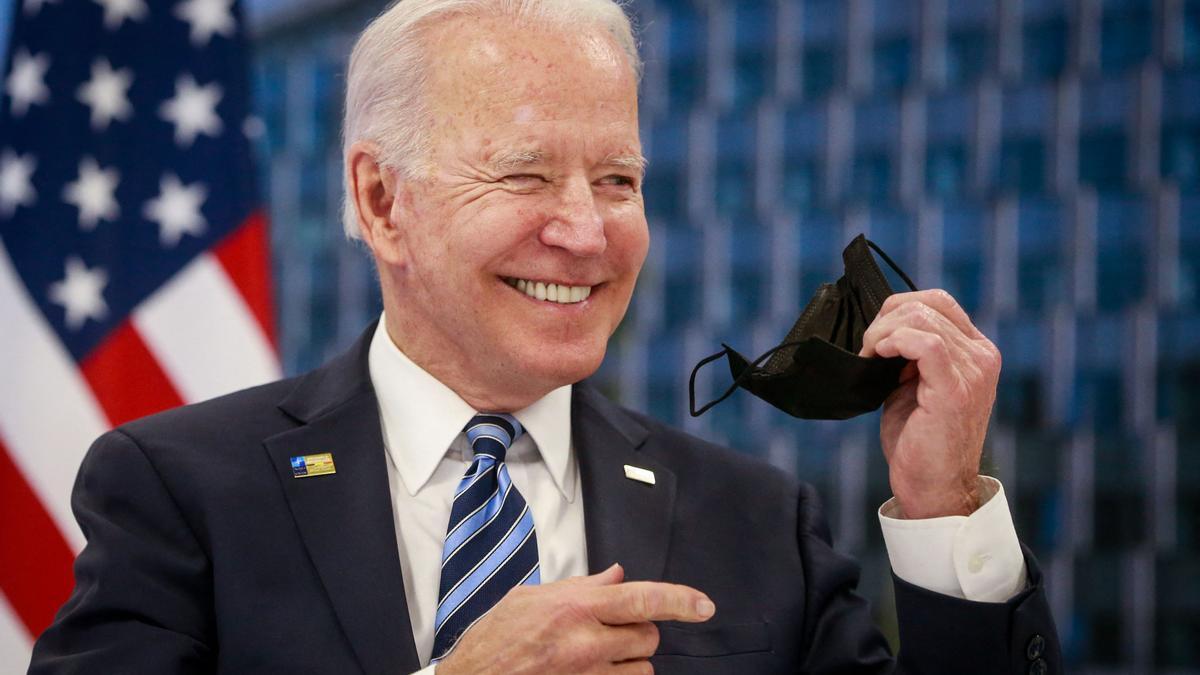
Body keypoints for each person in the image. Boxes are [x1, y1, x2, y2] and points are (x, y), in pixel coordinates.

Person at [31, 1, 1061, 673]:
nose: (587, 230)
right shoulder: (179, 489)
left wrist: (941, 511)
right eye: (525, 174)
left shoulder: (757, 522)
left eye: (619, 180)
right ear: (383, 200)